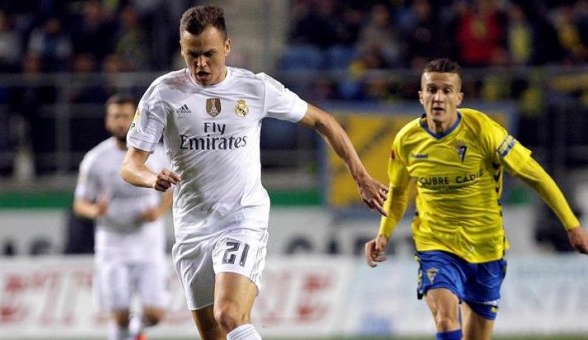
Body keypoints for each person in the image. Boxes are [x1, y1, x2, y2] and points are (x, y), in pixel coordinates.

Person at [120, 5, 388, 340]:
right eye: (192, 55)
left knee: (229, 314)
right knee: (215, 334)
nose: (200, 64)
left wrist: (360, 176)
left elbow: (323, 120)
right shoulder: (164, 93)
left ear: (227, 47)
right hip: (191, 227)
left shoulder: (255, 89)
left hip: (240, 218)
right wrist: (151, 177)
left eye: (209, 54)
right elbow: (131, 164)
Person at [364, 58, 588, 340]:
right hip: (435, 244)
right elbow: (399, 193)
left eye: (446, 90)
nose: (438, 97)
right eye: (431, 90)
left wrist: (572, 225)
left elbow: (535, 175)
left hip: (486, 247)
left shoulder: (482, 130)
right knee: (444, 318)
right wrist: (384, 234)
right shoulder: (407, 141)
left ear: (459, 97)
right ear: (421, 96)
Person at [74, 94, 172, 340]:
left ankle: (137, 328)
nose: (120, 122)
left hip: (148, 242)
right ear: (108, 122)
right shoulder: (95, 160)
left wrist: (158, 212)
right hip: (113, 245)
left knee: (156, 314)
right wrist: (96, 211)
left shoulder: (157, 155)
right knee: (119, 315)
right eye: (115, 116)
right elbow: (80, 204)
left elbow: (174, 193)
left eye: (126, 116)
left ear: (136, 120)